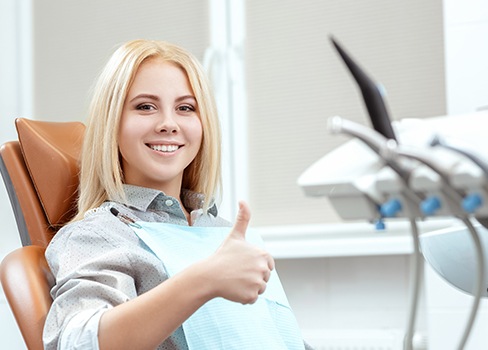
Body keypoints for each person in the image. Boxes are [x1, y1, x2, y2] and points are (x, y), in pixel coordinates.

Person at [43, 39, 311, 350]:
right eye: (145, 106)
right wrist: (203, 280)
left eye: (185, 108)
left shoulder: (223, 233)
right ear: (111, 123)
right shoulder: (99, 235)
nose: (169, 124)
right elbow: (78, 342)